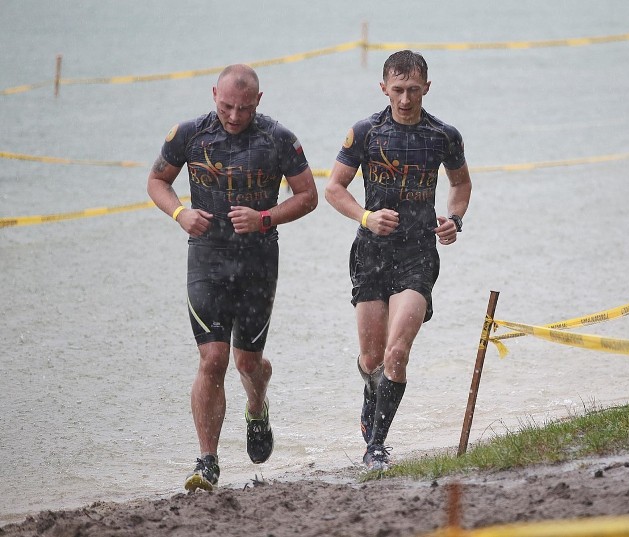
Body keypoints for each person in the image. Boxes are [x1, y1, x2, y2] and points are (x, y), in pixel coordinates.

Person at [147, 64, 318, 491]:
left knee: (247, 362)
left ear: (258, 101)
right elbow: (156, 181)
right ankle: (207, 461)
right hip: (207, 258)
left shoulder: (279, 139)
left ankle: (257, 407)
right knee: (213, 359)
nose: (235, 115)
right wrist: (180, 213)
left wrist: (264, 218)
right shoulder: (187, 134)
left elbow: (308, 196)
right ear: (213, 95)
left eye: (243, 107)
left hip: (258, 262)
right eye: (226, 106)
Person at [324, 50, 472, 470]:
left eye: (413, 90)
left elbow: (461, 184)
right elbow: (334, 187)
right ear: (384, 88)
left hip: (418, 252)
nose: (405, 99)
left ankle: (376, 448)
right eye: (397, 90)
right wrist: (366, 217)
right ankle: (371, 395)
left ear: (427, 87)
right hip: (371, 252)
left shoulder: (444, 135)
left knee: (397, 354)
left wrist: (455, 221)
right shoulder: (365, 132)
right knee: (371, 360)